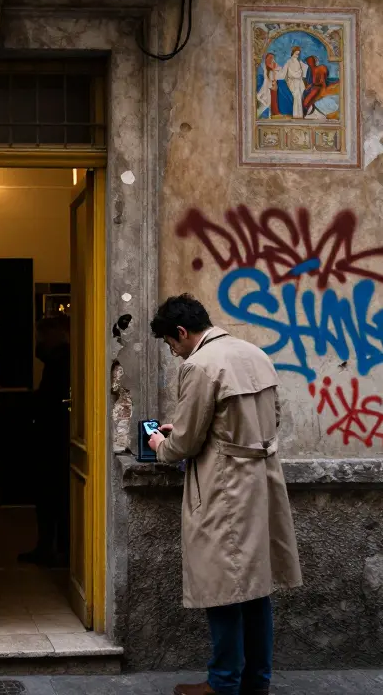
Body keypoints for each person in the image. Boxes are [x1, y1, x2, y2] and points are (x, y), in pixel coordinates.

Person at [146, 294, 302, 695]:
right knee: (256, 587)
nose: (174, 353)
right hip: (262, 481)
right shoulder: (255, 353)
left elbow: (186, 443)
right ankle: (257, 680)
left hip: (223, 487)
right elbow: (275, 417)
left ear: (181, 333)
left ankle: (223, 682)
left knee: (223, 587)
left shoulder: (200, 365)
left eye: (170, 344)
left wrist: (160, 444)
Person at [19, 314, 71, 567]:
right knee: (56, 494)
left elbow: (50, 399)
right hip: (57, 435)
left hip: (54, 437)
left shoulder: (59, 360)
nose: (37, 342)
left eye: (40, 337)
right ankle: (58, 548)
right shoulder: (60, 359)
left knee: (52, 495)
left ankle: (53, 548)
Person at [282, 46, 307, 119]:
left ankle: (300, 114)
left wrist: (299, 73)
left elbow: (301, 71)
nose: (297, 55)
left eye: (298, 54)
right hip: (293, 82)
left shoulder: (298, 62)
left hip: (298, 82)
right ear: (293, 53)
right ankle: (296, 114)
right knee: (296, 97)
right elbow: (290, 73)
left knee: (300, 97)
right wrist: (298, 74)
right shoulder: (289, 61)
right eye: (296, 54)